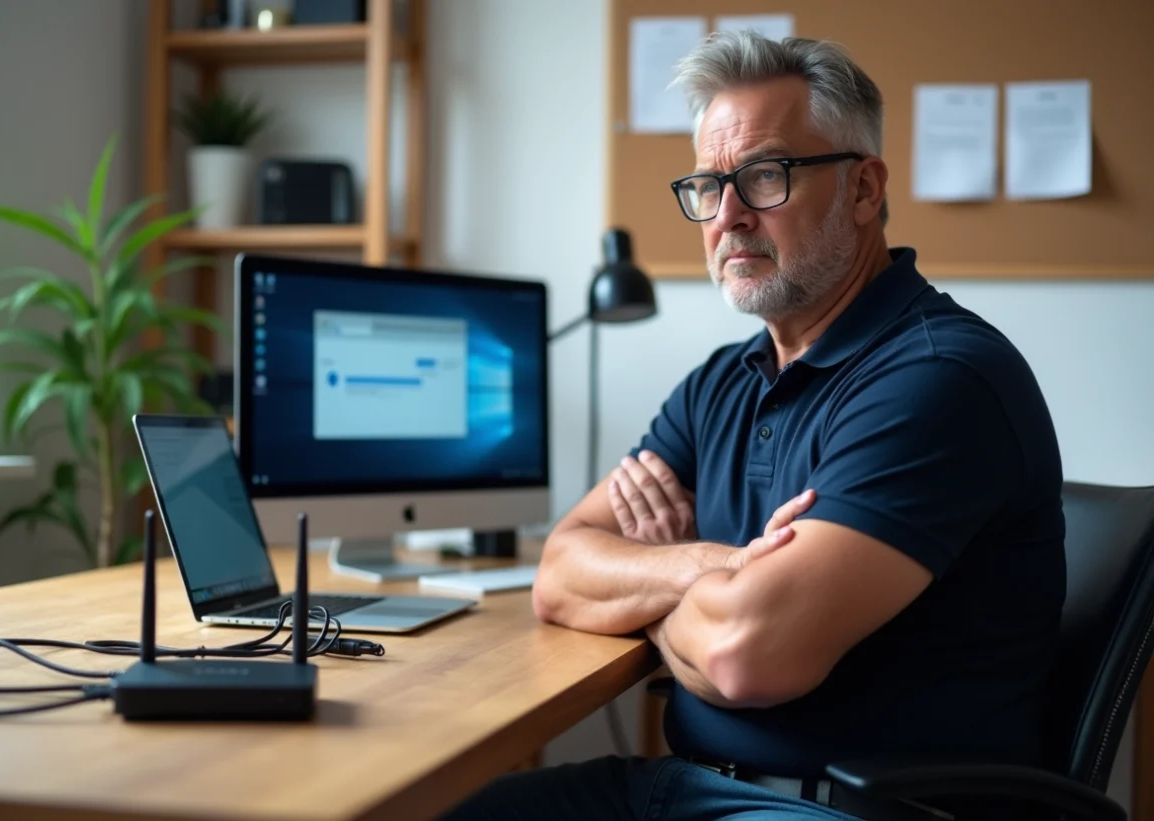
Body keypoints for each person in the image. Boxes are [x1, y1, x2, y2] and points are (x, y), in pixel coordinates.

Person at [442, 30, 1065, 821]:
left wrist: (654, 588)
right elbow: (560, 573)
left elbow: (746, 657)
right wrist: (721, 568)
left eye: (765, 176)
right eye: (709, 185)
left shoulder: (940, 379)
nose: (728, 216)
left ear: (863, 189)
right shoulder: (721, 382)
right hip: (684, 785)